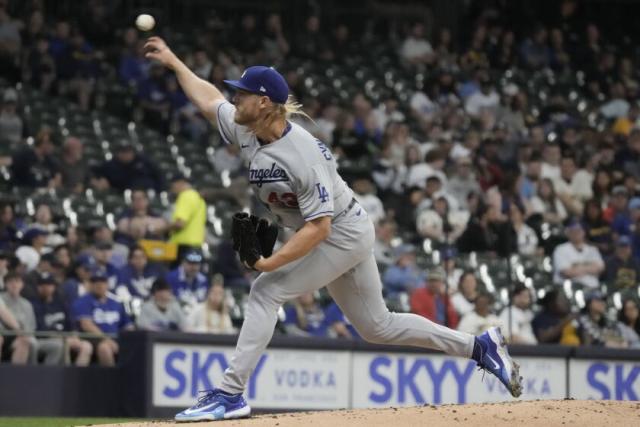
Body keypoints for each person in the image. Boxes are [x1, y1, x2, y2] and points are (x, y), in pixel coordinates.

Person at [144, 36, 522, 421]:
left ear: (264, 103)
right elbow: (209, 100)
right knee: (378, 327)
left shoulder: (303, 155)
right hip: (339, 228)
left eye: (242, 94)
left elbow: (319, 229)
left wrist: (269, 263)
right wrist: (175, 62)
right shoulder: (248, 127)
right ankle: (479, 346)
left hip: (341, 231)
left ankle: (230, 393)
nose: (234, 99)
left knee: (265, 292)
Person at [72, 270, 134, 366]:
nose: (99, 285)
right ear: (90, 284)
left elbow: (128, 326)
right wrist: (106, 339)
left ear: (107, 284)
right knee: (104, 348)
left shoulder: (115, 303)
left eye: (102, 281)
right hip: (93, 339)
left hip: (116, 338)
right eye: (95, 282)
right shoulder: (83, 301)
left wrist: (131, 340)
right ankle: (111, 379)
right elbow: (86, 325)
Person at [29, 273, 93, 366]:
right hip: (46, 339)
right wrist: (63, 337)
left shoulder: (61, 302)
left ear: (54, 287)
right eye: (42, 285)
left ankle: (76, 376)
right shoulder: (34, 304)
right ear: (38, 287)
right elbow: (40, 330)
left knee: (87, 346)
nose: (45, 288)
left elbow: (71, 323)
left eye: (49, 285)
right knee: (63, 344)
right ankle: (62, 376)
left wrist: (74, 335)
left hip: (66, 337)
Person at [1, 272, 63, 364]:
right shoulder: (1, 299)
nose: (14, 285)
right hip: (8, 338)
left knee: (57, 345)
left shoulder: (27, 304)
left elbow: (31, 328)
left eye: (17, 281)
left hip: (27, 336)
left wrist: (27, 335)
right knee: (26, 343)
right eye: (11, 282)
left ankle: (47, 376)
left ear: (22, 284)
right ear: (6, 284)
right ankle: (30, 374)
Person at [552, 219, 604, 289]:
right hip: (570, 289)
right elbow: (566, 273)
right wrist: (589, 268)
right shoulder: (560, 249)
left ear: (584, 232)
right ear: (568, 233)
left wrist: (576, 268)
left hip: (592, 288)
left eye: (579, 231)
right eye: (573, 231)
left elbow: (600, 268)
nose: (576, 234)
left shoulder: (592, 249)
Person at [166, 173, 207, 260]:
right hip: (196, 245)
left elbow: (180, 224)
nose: (172, 189)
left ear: (180, 183)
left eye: (173, 186)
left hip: (184, 246)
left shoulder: (185, 196)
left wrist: (162, 228)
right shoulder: (197, 197)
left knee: (180, 273)